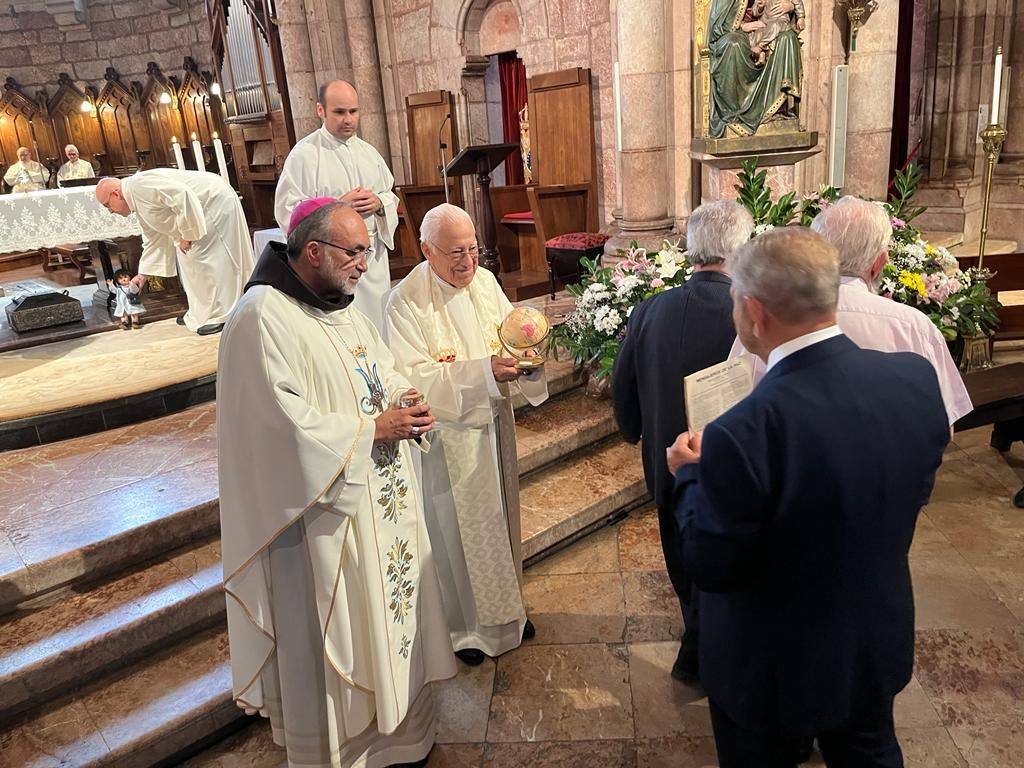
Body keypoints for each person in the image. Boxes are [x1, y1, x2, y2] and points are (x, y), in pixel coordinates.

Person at [668, 227, 950, 767]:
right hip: (870, 635)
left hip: (771, 663)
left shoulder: (743, 432)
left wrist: (690, 476)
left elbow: (711, 563)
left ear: (754, 312)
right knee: (870, 753)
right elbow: (914, 487)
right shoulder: (913, 380)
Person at [217, 199, 456, 768]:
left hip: (384, 505)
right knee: (342, 638)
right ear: (314, 250)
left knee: (390, 620)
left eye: (367, 253)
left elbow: (381, 369)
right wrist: (372, 430)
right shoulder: (261, 316)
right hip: (323, 521)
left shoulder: (343, 307)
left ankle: (404, 735)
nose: (363, 265)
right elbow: (278, 426)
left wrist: (405, 398)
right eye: (355, 252)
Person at [385, 203, 547, 666]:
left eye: (474, 250)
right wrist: (484, 373)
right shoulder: (404, 302)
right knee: (460, 536)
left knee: (502, 521)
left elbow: (509, 335)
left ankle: (508, 615)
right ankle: (468, 629)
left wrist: (526, 352)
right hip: (449, 441)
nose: (468, 263)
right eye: (456, 252)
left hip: (494, 430)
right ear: (426, 250)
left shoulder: (486, 282)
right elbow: (412, 379)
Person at [611, 200, 753, 685]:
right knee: (736, 561)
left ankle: (697, 641)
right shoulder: (754, 311)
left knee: (682, 553)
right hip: (737, 466)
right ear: (740, 249)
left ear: (690, 248)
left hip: (669, 463)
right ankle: (720, 647)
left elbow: (623, 383)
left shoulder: (650, 309)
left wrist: (634, 431)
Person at [730, 196, 973, 426]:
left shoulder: (768, 317)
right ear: (879, 264)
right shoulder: (914, 326)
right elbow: (943, 423)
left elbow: (731, 407)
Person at [274, 79, 399, 330]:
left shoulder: (369, 153)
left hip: (372, 260)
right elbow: (288, 210)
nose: (348, 119)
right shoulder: (305, 155)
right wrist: (338, 208)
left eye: (353, 111)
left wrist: (380, 202)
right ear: (320, 110)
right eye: (339, 112)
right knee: (344, 326)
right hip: (333, 262)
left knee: (377, 324)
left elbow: (390, 195)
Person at [95, 170, 254, 335]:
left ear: (116, 194)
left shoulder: (139, 186)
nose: (110, 211)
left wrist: (187, 234)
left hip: (212, 201)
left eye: (108, 205)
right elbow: (154, 237)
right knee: (187, 259)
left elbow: (183, 195)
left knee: (208, 258)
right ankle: (201, 313)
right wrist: (143, 275)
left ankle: (222, 315)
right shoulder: (135, 196)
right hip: (197, 208)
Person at [708, 0, 804, 137]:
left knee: (787, 38)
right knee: (732, 45)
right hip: (739, 33)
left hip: (768, 28)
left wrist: (791, 7)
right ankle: (732, 114)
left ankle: (777, 111)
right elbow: (717, 24)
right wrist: (743, 25)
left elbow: (795, 10)